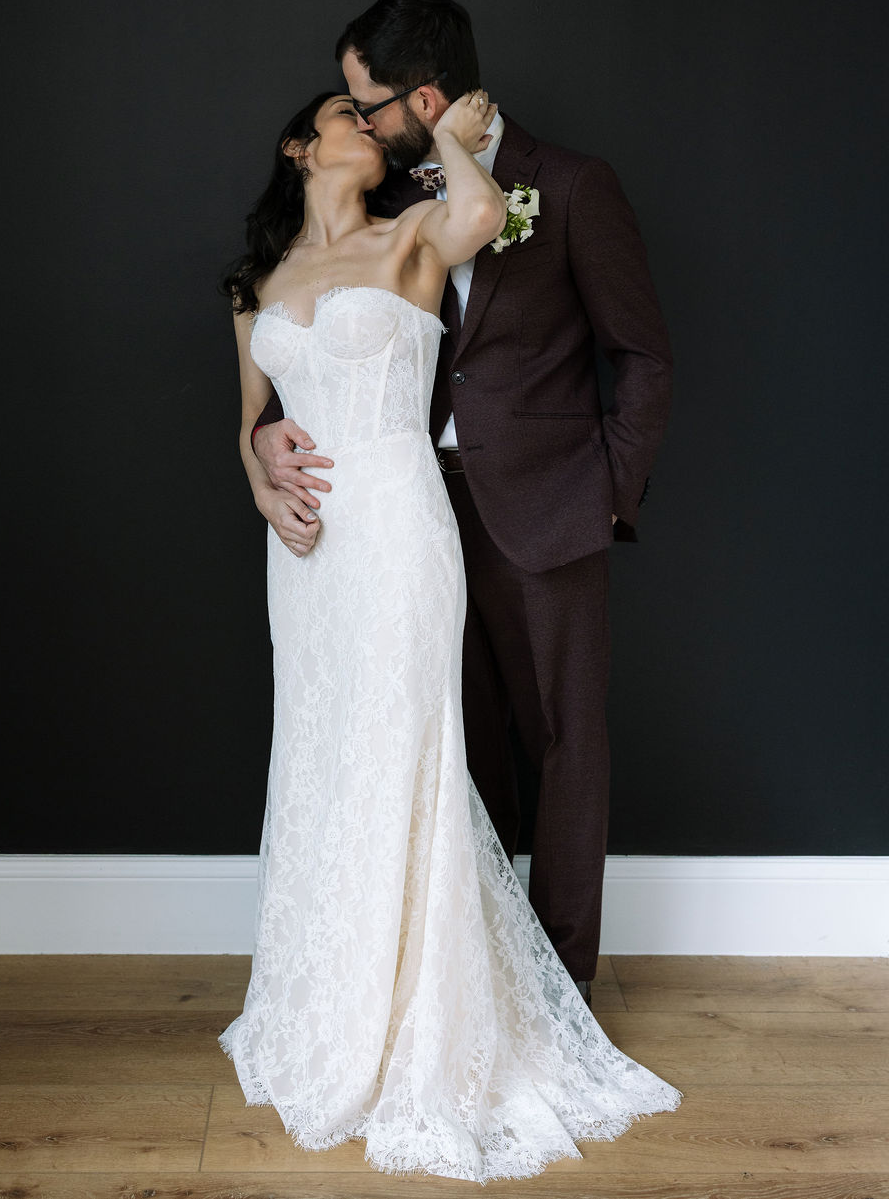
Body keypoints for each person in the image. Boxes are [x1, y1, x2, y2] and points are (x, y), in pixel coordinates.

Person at [219, 86, 680, 1181]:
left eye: (374, 113)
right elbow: (250, 417)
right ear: (297, 144)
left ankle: (421, 1026)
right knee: (326, 759)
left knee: (406, 755)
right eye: (346, 113)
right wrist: (254, 474)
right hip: (308, 559)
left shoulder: (414, 234)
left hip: (397, 534)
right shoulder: (258, 283)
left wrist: (450, 139)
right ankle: (331, 1003)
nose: (367, 129)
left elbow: (478, 213)